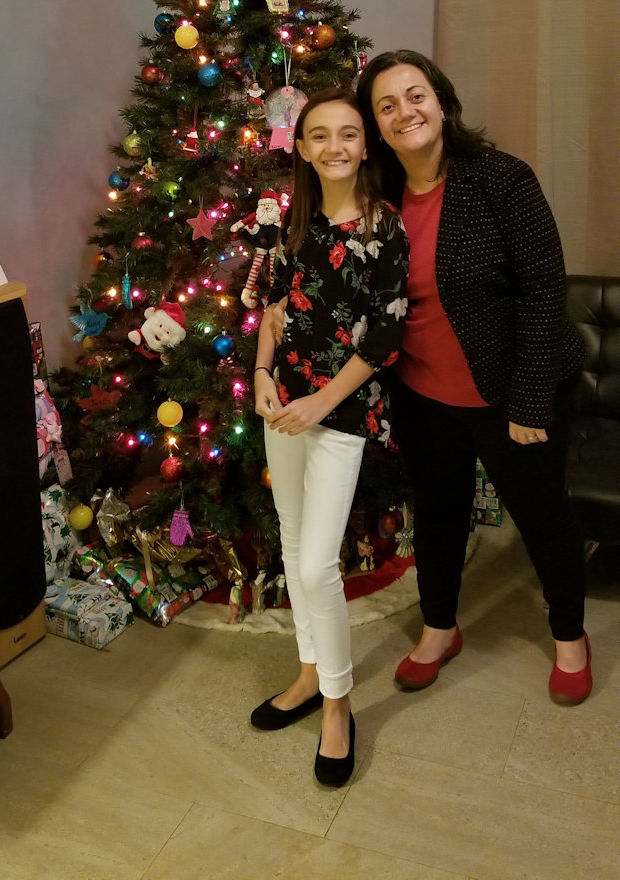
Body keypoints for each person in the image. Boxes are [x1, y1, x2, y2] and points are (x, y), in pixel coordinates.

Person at [355, 49, 590, 705]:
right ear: (376, 126)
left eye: (415, 95)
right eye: (386, 105)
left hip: (513, 389)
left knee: (542, 515)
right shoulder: (378, 197)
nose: (405, 112)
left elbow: (544, 291)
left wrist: (529, 401)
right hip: (423, 394)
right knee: (437, 515)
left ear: (441, 100)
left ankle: (569, 635)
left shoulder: (499, 179)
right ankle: (439, 629)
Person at [251, 87, 408, 786]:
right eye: (320, 135)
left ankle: (338, 705)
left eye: (348, 133)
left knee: (317, 565)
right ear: (303, 148)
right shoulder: (294, 222)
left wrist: (321, 402)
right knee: (291, 541)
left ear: (365, 145)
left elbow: (384, 338)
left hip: (339, 411)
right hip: (282, 404)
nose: (335, 146)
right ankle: (310, 671)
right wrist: (261, 372)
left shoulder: (384, 228)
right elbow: (272, 308)